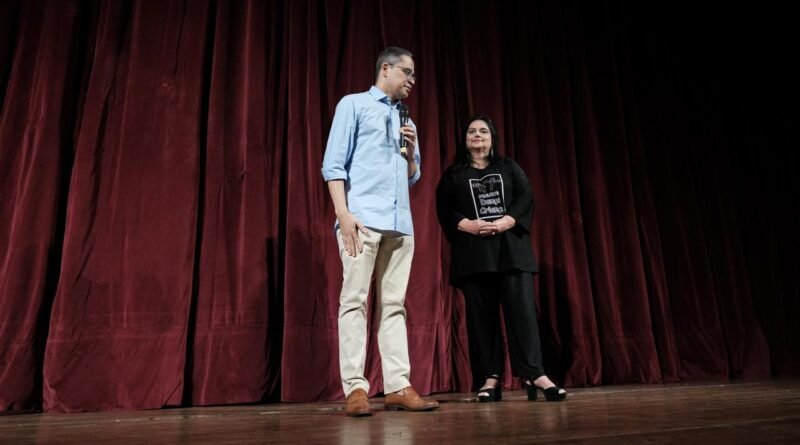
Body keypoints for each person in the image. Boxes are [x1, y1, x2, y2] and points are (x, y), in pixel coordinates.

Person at [321, 47, 439, 417]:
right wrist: (343, 213)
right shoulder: (353, 104)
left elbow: (412, 176)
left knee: (394, 305)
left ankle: (398, 385)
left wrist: (412, 151)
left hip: (400, 224)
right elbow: (333, 164)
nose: (412, 80)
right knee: (354, 301)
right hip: (362, 220)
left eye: (414, 75)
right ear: (385, 69)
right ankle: (356, 388)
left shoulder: (407, 119)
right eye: (407, 72)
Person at [435, 114, 567, 403]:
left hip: (511, 252)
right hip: (474, 255)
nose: (477, 135)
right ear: (464, 140)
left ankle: (535, 374)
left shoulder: (508, 168)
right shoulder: (454, 174)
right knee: (481, 320)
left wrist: (508, 220)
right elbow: (444, 208)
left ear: (492, 138)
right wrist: (466, 225)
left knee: (523, 315)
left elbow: (526, 197)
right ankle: (490, 378)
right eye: (472, 131)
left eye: (483, 131)